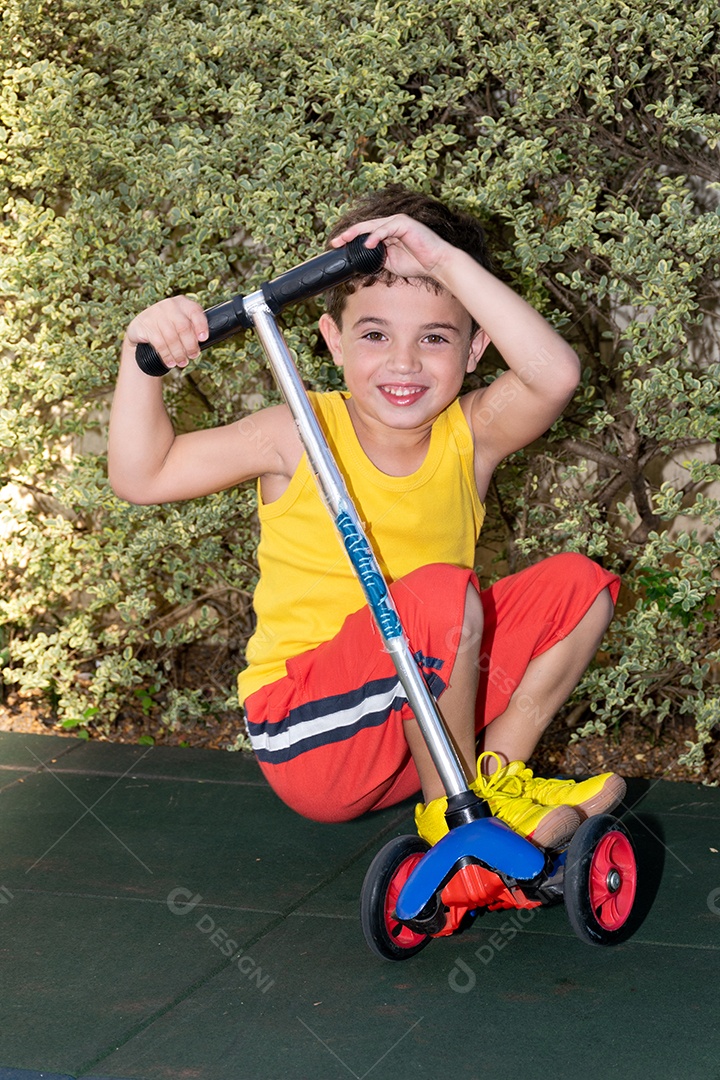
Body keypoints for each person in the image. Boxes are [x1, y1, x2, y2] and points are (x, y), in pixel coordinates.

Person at [108, 186, 625, 851]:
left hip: (421, 728)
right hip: (312, 734)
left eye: (435, 338)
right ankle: (458, 827)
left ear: (474, 351)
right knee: (438, 594)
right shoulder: (296, 434)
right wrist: (140, 354)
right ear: (333, 340)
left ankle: (491, 782)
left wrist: (443, 259)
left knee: (579, 586)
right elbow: (140, 475)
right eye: (375, 334)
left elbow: (554, 374)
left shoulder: (472, 436)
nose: (404, 362)